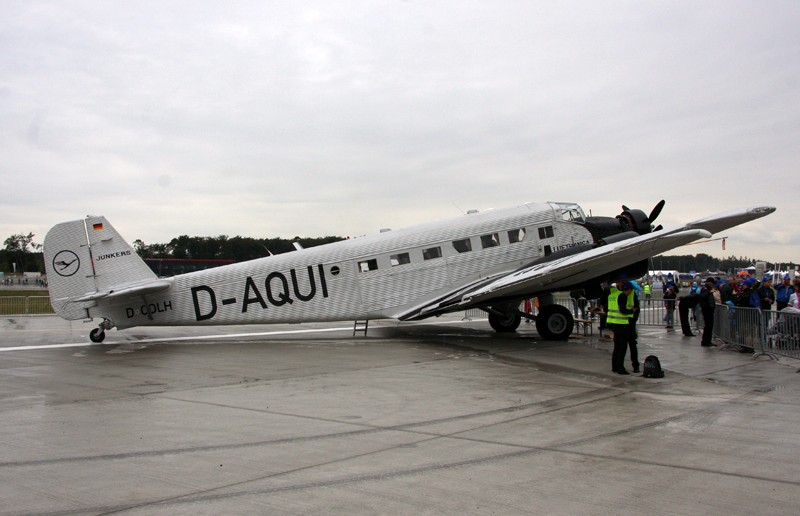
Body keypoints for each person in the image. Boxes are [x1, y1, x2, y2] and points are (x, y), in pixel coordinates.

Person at [607, 280, 637, 374]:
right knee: (622, 348)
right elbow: (623, 310)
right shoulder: (622, 296)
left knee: (616, 347)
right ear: (629, 290)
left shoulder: (612, 295)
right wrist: (632, 311)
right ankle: (620, 368)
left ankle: (615, 366)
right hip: (621, 324)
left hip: (612, 323)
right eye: (631, 290)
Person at [699, 277, 717, 346]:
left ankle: (707, 340)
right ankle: (706, 341)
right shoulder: (706, 289)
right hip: (707, 309)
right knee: (708, 326)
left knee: (709, 326)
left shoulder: (707, 289)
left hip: (708, 308)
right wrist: (709, 293)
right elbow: (702, 297)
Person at [627, 283, 641, 372]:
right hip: (622, 323)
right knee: (621, 346)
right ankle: (617, 366)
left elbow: (636, 308)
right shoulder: (618, 294)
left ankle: (636, 366)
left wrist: (632, 321)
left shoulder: (632, 294)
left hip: (629, 323)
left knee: (632, 345)